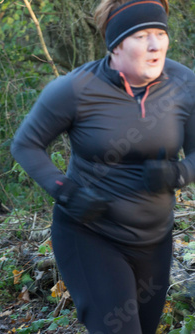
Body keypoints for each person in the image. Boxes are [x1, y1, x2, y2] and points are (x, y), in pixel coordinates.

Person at [11, 0, 195, 333]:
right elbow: (26, 144)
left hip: (155, 240)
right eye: (141, 36)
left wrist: (178, 173)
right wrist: (64, 190)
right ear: (116, 44)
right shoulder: (75, 89)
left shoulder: (184, 85)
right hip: (91, 235)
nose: (155, 45)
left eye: (159, 33)